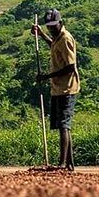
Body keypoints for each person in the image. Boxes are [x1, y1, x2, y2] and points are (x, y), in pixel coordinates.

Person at [31, 9, 81, 171]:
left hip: (67, 88)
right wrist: (41, 35)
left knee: (64, 125)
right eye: (49, 27)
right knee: (62, 125)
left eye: (53, 26)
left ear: (60, 22)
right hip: (58, 88)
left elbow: (70, 67)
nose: (51, 29)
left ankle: (62, 164)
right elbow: (53, 46)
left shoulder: (66, 38)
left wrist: (46, 76)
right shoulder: (57, 38)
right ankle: (69, 164)